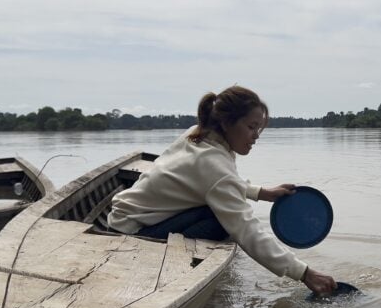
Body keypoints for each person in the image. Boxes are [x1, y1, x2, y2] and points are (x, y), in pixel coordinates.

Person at [107, 85, 337, 296]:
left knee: (220, 210)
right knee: (223, 221)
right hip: (134, 235)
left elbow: (217, 182)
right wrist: (305, 273)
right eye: (251, 127)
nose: (256, 136)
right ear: (227, 124)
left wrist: (261, 192)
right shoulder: (214, 165)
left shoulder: (197, 134)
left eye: (259, 128)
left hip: (120, 219)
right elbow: (247, 230)